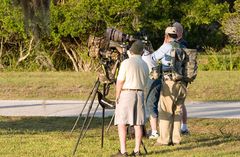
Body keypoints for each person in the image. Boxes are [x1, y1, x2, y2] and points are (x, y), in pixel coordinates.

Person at [112, 40, 149, 157]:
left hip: (127, 93)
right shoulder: (145, 64)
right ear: (142, 52)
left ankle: (123, 151)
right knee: (138, 123)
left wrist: (117, 96)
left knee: (122, 122)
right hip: (140, 93)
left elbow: (120, 81)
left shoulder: (126, 63)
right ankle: (137, 150)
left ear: (131, 51)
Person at [152, 27, 187, 145]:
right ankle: (176, 139)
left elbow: (153, 57)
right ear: (176, 35)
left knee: (165, 111)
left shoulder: (166, 46)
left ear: (166, 35)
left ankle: (164, 140)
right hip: (182, 83)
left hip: (169, 82)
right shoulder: (183, 47)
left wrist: (163, 45)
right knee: (177, 111)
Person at [172, 22, 189, 134]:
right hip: (181, 76)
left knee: (179, 102)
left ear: (179, 32)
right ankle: (184, 126)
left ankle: (182, 127)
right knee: (181, 102)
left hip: (180, 76)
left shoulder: (181, 44)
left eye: (174, 30)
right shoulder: (181, 43)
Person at [142, 49, 161, 139]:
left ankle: (154, 132)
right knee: (151, 104)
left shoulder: (144, 55)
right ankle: (155, 130)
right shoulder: (149, 53)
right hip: (155, 79)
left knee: (151, 105)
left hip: (152, 79)